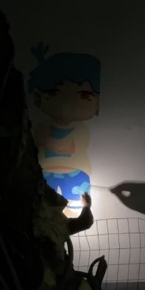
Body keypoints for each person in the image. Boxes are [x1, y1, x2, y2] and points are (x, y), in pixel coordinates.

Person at [27, 42, 102, 218]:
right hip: (47, 173)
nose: (68, 104)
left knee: (75, 209)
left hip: (75, 173)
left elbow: (77, 147)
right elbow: (42, 144)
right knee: (46, 209)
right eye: (53, 93)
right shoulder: (42, 128)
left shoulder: (81, 131)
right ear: (38, 97)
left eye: (84, 95)